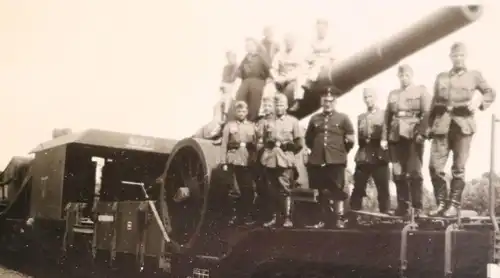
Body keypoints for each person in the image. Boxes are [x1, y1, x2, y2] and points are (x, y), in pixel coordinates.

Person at [428, 42, 496, 217]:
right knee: (435, 167)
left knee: (458, 168)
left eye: (461, 56)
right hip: (442, 125)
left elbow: (490, 92)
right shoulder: (441, 77)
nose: (458, 59)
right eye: (455, 56)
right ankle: (441, 203)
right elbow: (433, 104)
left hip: (463, 126)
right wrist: (427, 128)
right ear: (450, 57)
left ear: (465, 57)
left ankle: (454, 205)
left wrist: (479, 101)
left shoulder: (474, 76)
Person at [381, 64, 431, 218]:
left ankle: (417, 207)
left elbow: (428, 114)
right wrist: (384, 138)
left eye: (407, 75)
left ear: (412, 75)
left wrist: (422, 133)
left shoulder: (421, 91)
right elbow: (387, 118)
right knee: (397, 173)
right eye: (401, 76)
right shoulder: (393, 94)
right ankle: (403, 206)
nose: (404, 78)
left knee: (414, 172)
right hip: (395, 137)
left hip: (412, 136)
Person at [305, 90, 355, 229]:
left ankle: (338, 219)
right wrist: (318, 151)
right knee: (321, 191)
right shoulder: (315, 119)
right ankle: (323, 219)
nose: (328, 104)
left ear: (335, 102)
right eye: (325, 101)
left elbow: (350, 140)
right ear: (322, 102)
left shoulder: (343, 118)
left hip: (336, 159)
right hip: (318, 160)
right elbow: (309, 139)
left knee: (337, 189)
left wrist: (340, 152)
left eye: (331, 101)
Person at [258, 93, 303, 228]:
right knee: (271, 189)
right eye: (277, 105)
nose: (278, 108)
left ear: (287, 106)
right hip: (270, 159)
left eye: (281, 105)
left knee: (285, 189)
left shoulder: (293, 121)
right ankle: (274, 217)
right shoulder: (268, 122)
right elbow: (264, 141)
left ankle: (287, 218)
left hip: (285, 159)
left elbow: (299, 143)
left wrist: (288, 149)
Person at [350, 88, 390, 216]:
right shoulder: (361, 117)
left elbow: (386, 134)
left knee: (383, 187)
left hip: (379, 155)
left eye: (370, 97)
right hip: (363, 156)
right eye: (366, 97)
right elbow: (360, 139)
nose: (368, 100)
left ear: (376, 97)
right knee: (358, 186)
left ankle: (385, 212)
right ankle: (353, 212)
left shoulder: (384, 115)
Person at [220, 101, 258, 225]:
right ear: (235, 112)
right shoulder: (229, 126)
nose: (241, 113)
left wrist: (254, 160)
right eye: (239, 111)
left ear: (246, 112)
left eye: (243, 111)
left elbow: (255, 145)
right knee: (235, 190)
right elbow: (224, 144)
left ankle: (246, 216)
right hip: (233, 159)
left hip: (247, 161)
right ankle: (234, 216)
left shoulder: (252, 126)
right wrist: (223, 162)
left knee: (248, 189)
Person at [234, 37, 271, 122]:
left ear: (255, 46)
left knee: (255, 100)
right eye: (247, 45)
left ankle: (252, 120)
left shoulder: (261, 56)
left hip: (258, 80)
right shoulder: (246, 58)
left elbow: (269, 70)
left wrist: (269, 79)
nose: (248, 46)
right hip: (246, 81)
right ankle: (240, 120)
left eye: (250, 45)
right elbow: (240, 71)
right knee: (239, 97)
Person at [270, 33, 308, 114]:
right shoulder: (279, 54)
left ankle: (297, 101)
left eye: (291, 42)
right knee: (269, 88)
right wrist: (276, 78)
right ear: (284, 42)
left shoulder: (299, 54)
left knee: (300, 79)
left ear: (294, 43)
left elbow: (302, 68)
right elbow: (273, 69)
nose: (289, 43)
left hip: (294, 76)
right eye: (287, 41)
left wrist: (288, 78)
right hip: (282, 76)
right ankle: (267, 110)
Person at [209, 50, 240, 141]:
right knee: (217, 105)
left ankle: (225, 118)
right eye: (228, 57)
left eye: (231, 57)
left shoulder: (237, 67)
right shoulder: (226, 68)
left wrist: (228, 87)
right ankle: (217, 124)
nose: (230, 59)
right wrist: (222, 86)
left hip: (233, 88)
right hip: (226, 88)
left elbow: (236, 81)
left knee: (228, 101)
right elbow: (223, 81)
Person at [302, 19, 337, 98]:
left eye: (322, 29)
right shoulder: (314, 40)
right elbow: (309, 53)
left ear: (326, 29)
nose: (320, 32)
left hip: (326, 61)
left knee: (318, 64)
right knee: (304, 66)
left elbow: (334, 55)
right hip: (315, 59)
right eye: (318, 30)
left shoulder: (331, 40)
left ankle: (310, 81)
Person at [254, 97, 275, 224]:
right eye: (265, 106)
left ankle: (272, 216)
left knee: (271, 186)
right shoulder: (260, 121)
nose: (267, 108)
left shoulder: (276, 121)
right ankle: (262, 216)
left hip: (270, 156)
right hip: (258, 156)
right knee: (260, 187)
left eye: (269, 105)